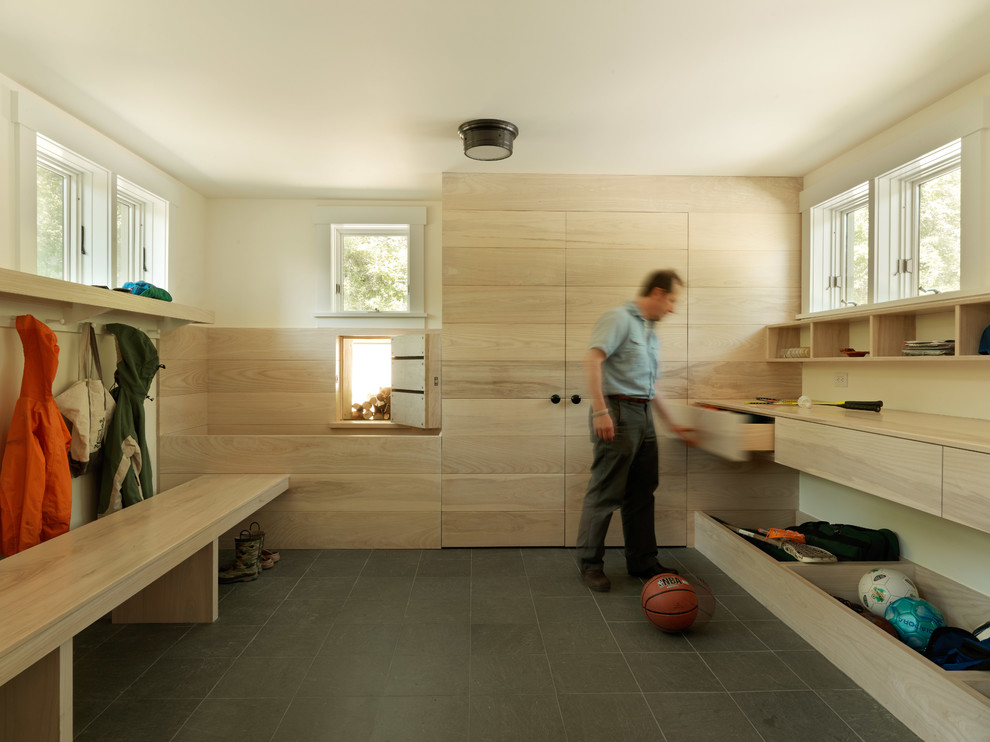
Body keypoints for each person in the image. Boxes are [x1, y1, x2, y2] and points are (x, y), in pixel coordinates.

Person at [576, 269, 694, 592]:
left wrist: (673, 424)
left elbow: (650, 385)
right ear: (657, 293)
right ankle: (589, 564)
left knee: (642, 491)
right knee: (606, 491)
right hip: (616, 410)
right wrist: (600, 411)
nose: (672, 308)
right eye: (671, 300)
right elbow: (592, 360)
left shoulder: (648, 330)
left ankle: (642, 560)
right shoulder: (619, 319)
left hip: (642, 413)